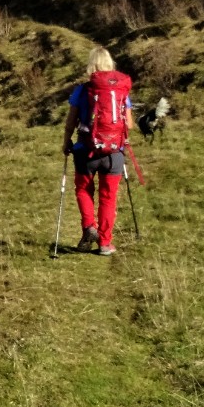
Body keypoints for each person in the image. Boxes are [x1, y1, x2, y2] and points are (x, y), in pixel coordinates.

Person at [60, 46, 135, 256]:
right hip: (114, 153)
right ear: (111, 64)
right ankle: (105, 243)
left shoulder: (83, 90)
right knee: (108, 197)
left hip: (86, 149)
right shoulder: (121, 92)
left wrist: (66, 142)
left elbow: (71, 121)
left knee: (83, 189)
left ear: (91, 65)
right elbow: (129, 124)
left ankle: (89, 227)